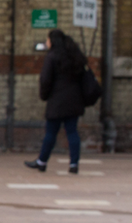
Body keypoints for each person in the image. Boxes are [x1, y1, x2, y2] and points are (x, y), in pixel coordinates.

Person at [24, 29, 87, 175]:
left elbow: (45, 79)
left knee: (51, 132)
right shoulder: (75, 56)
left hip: (57, 101)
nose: (47, 42)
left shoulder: (52, 57)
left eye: (48, 40)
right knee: (72, 132)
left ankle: (42, 161)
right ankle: (74, 164)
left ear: (52, 41)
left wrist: (44, 95)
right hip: (74, 101)